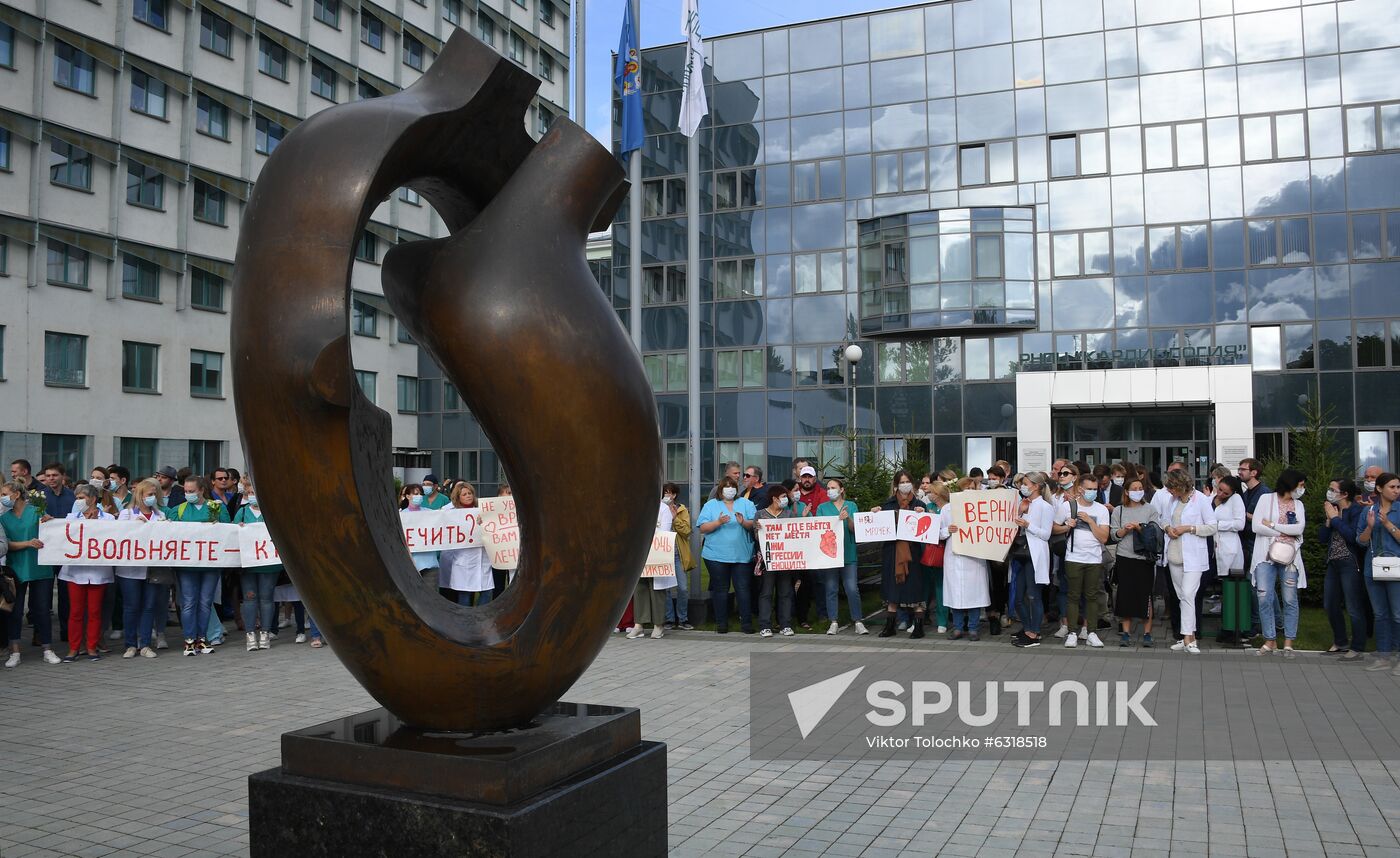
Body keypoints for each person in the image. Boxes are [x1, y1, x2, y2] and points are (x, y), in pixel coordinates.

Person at [2, 480, 61, 667]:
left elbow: (50, 533)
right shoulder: (4, 518)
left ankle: (47, 649)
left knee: (42, 610)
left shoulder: (36, 511)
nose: (2, 498)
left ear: (16, 494)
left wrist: (52, 523)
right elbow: (5, 544)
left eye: (4, 494)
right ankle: (15, 651)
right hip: (16, 569)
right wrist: (28, 543)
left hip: (40, 567)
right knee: (15, 611)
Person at [171, 475, 230, 657]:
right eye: (186, 491)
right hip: (187, 565)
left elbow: (229, 530)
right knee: (189, 603)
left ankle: (202, 639)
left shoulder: (216, 508)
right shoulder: (178, 510)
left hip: (210, 563)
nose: (188, 494)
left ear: (201, 490)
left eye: (192, 491)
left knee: (205, 603)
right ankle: (189, 640)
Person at [1250, 469, 1307, 657]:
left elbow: (1299, 528)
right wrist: (1285, 532)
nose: (1302, 488)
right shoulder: (1267, 499)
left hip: (1290, 557)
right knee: (1264, 596)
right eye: (1300, 484)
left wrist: (1273, 526)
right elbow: (1256, 526)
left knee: (1290, 598)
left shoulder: (1298, 505)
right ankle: (1270, 639)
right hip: (1266, 556)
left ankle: (1289, 641)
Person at [1161, 468, 1217, 654]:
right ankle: (1188, 638)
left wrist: (1189, 529)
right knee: (1181, 596)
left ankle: (1188, 637)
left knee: (1187, 594)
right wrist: (1168, 528)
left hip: (1194, 556)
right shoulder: (1172, 500)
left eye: (1171, 487)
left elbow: (1212, 527)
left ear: (1180, 486)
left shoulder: (1200, 499)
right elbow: (1164, 519)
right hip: (1175, 555)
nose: (1168, 491)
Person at [58, 485, 115, 662]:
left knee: (95, 611)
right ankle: (74, 648)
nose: (78, 501)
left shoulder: (109, 519)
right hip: (75, 571)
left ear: (93, 498)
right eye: (77, 497)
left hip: (98, 571)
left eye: (82, 497)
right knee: (75, 611)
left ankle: (91, 646)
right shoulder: (70, 518)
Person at [697, 475, 758, 634]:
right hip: (716, 555)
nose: (730, 489)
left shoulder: (746, 503)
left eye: (733, 486)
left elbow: (754, 523)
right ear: (720, 489)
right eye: (727, 486)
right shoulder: (711, 505)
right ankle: (721, 623)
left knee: (743, 589)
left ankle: (746, 623)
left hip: (742, 555)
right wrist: (718, 522)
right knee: (720, 590)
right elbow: (702, 527)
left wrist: (743, 522)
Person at [873, 471, 931, 638]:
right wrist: (875, 514)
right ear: (896, 485)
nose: (905, 484)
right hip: (892, 553)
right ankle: (890, 626)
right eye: (902, 481)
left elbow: (926, 528)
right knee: (892, 588)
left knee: (915, 588)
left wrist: (923, 514)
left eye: (907, 481)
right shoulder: (888, 504)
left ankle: (919, 626)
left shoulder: (919, 504)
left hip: (913, 554)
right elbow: (879, 527)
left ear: (912, 484)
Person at [1055, 472, 1110, 648]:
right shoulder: (1067, 506)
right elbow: (1053, 528)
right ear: (1080, 489)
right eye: (1089, 489)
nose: (1092, 492)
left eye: (1095, 489)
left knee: (1091, 596)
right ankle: (1072, 632)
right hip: (1073, 558)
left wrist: (1090, 522)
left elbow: (1104, 537)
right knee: (1073, 596)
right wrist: (1066, 526)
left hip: (1094, 559)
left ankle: (1091, 632)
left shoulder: (1101, 509)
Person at [116, 479, 166, 658]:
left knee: (149, 606)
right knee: (131, 606)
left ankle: (145, 644)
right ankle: (130, 644)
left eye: (154, 495)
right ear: (140, 496)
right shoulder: (126, 514)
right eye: (149, 495)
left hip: (152, 569)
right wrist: (132, 527)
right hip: (130, 569)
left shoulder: (160, 515)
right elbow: (117, 537)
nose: (152, 498)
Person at [1320, 478, 1369, 661]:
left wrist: (1335, 519)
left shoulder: (1356, 510)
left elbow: (1353, 537)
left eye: (1333, 490)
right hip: (1333, 562)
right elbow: (1323, 538)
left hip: (1350, 562)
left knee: (1353, 606)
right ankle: (1340, 642)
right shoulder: (1334, 510)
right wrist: (1328, 521)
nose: (1330, 492)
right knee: (1330, 604)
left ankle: (1357, 647)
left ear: (1345, 494)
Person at [1110, 476, 1160, 647]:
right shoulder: (1119, 510)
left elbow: (1155, 533)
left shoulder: (1150, 509)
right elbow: (1113, 535)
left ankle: (1147, 633)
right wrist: (1124, 530)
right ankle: (1125, 632)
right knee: (1125, 595)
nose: (1138, 491)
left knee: (1145, 595)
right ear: (1126, 491)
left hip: (1144, 559)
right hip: (1125, 557)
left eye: (1140, 488)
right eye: (1134, 488)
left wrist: (1140, 528)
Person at [1358, 473, 1400, 674]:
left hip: (1397, 568)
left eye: (1398, 487)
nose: (1396, 491)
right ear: (1380, 489)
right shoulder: (1369, 511)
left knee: (1398, 614)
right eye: (1392, 487)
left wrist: (1388, 525)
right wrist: (1370, 526)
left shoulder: (1399, 510)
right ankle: (1384, 656)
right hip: (1372, 568)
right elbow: (1361, 541)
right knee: (1380, 614)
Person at [233, 477, 280, 651]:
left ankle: (265, 633)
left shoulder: (272, 512)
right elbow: (232, 532)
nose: (253, 496)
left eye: (256, 493)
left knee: (267, 598)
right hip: (248, 563)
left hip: (269, 564)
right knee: (249, 598)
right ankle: (250, 633)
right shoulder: (243, 512)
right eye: (251, 493)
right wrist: (239, 527)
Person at [939, 478, 989, 641]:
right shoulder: (947, 509)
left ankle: (973, 628)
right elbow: (938, 532)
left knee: (974, 593)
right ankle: (958, 628)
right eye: (966, 487)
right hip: (954, 556)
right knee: (956, 594)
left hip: (974, 557)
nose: (970, 490)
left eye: (973, 487)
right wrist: (948, 530)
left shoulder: (982, 508)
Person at [816, 477, 866, 635]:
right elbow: (818, 528)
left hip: (848, 553)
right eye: (828, 488)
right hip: (830, 555)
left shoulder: (851, 505)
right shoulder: (823, 507)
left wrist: (848, 518)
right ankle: (833, 621)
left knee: (852, 588)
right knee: (831, 588)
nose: (830, 490)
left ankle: (858, 620)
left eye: (833, 487)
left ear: (841, 489)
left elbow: (855, 529)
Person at [1013, 472, 1056, 648]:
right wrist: (1021, 512)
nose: (1023, 486)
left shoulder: (1045, 507)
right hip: (1020, 552)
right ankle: (1027, 627)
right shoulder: (1025, 504)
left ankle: (1034, 632)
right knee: (1018, 598)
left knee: (1033, 595)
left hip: (1035, 553)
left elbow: (1046, 534)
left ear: (1036, 486)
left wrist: (1028, 525)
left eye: (1026, 483)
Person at [439, 482, 495, 608]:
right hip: (463, 559)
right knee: (465, 594)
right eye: (464, 494)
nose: (468, 496)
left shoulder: (482, 510)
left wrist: (484, 520)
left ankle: (480, 617)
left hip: (483, 558)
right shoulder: (451, 513)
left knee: (487, 592)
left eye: (470, 493)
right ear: (458, 497)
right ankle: (465, 621)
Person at [1212, 475, 1250, 646]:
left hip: (1230, 550)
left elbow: (1239, 524)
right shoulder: (1214, 499)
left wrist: (1217, 525)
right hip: (1217, 549)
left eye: (1224, 492)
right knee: (1223, 590)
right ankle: (1226, 628)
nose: (1220, 493)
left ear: (1232, 492)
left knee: (1231, 591)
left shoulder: (1236, 500)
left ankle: (1233, 630)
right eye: (1219, 489)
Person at [754, 485, 797, 638]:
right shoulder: (760, 514)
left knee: (785, 592)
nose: (785, 500)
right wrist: (758, 530)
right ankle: (765, 625)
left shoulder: (789, 514)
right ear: (774, 498)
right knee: (766, 593)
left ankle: (785, 624)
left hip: (785, 561)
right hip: (768, 561)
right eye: (783, 497)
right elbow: (757, 538)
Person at [1237, 457, 1271, 637]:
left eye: (1243, 469)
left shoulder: (1264, 493)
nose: (1239, 471)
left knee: (1256, 586)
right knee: (1257, 586)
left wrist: (1243, 515)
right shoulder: (1246, 492)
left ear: (1254, 472)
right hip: (1248, 543)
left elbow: (1264, 520)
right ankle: (1276, 622)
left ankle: (1258, 625)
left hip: (1258, 543)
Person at [661, 483, 693, 630]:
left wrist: (675, 518)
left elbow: (687, 531)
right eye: (665, 493)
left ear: (675, 495)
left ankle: (682, 618)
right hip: (662, 553)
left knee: (683, 588)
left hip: (677, 554)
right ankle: (668, 619)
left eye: (670, 493)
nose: (668, 496)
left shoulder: (682, 510)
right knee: (665, 589)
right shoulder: (658, 509)